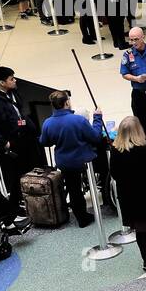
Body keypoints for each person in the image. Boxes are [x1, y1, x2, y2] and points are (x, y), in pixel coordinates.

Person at [108, 117, 146, 277]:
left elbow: (114, 174)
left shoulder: (116, 151)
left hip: (129, 200)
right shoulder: (144, 151)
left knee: (141, 233)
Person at [38, 90, 106, 229]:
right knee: (103, 169)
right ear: (67, 102)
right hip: (84, 159)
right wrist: (97, 118)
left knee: (74, 189)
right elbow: (95, 137)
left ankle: (81, 217)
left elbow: (45, 142)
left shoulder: (48, 123)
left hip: (64, 162)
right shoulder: (78, 120)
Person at [0, 67, 38, 208]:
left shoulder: (13, 93)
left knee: (31, 169)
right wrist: (4, 143)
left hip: (25, 138)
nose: (15, 80)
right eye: (11, 79)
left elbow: (20, 113)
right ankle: (15, 205)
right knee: (17, 175)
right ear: (1, 82)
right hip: (12, 143)